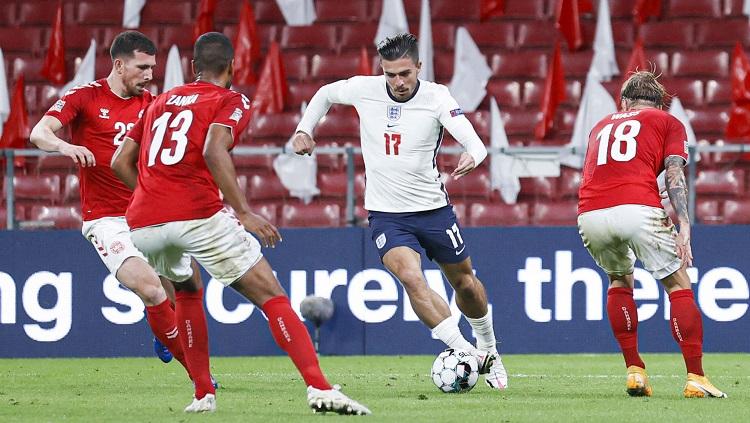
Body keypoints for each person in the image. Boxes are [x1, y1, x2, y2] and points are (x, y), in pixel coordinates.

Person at [110, 32, 371, 415]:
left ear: (194, 68)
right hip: (196, 213)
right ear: (233, 66)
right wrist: (244, 213)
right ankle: (320, 388)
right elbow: (214, 149)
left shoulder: (159, 101)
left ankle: (202, 394)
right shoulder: (230, 99)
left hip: (143, 223)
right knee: (272, 296)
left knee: (186, 289)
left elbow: (120, 162)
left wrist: (152, 194)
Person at [291, 33, 507, 390]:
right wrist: (303, 129)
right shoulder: (365, 89)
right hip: (386, 214)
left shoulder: (436, 97)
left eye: (405, 73)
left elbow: (475, 142)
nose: (398, 81)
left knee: (465, 284)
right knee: (410, 276)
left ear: (419, 67)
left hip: (433, 211)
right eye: (391, 74)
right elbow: (326, 93)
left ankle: (489, 347)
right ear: (382, 71)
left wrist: (473, 155)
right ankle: (466, 352)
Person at [29, 30, 214, 399]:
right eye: (142, 67)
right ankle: (200, 381)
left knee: (181, 295)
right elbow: (39, 132)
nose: (150, 75)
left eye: (152, 68)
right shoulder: (84, 97)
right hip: (106, 220)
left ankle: (165, 335)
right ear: (118, 64)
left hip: (149, 215)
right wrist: (67, 146)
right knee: (149, 288)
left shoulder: (154, 105)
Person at [577, 71, 727, 398]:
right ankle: (696, 377)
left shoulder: (600, 126)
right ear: (659, 103)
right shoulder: (667, 121)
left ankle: (635, 372)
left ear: (625, 101)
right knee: (677, 284)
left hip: (590, 212)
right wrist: (684, 224)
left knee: (619, 279)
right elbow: (673, 171)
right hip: (637, 207)